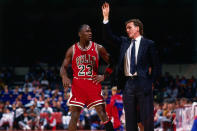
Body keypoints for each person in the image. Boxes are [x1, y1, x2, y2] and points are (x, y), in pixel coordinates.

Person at [102, 2, 161, 131]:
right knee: (130, 119)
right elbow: (108, 37)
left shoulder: (149, 44)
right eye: (126, 28)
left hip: (143, 82)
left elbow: (156, 66)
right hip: (128, 84)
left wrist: (151, 82)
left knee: (146, 118)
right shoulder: (124, 42)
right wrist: (106, 18)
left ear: (137, 28)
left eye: (129, 27)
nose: (127, 30)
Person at [60, 24, 114, 131]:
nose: (90, 33)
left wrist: (104, 76)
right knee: (74, 115)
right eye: (87, 31)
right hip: (78, 85)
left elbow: (112, 63)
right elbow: (63, 67)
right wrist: (64, 76)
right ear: (80, 34)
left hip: (92, 83)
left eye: (90, 31)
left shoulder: (98, 48)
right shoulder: (72, 49)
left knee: (102, 113)